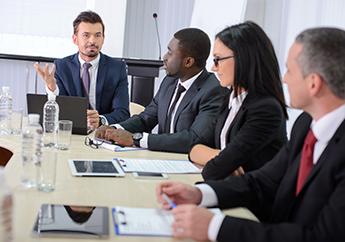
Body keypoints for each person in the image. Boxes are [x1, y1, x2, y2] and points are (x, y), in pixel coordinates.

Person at [156, 26, 345, 242]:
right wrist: (200, 194)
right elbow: (263, 181)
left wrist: (214, 227)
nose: (284, 79)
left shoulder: (270, 109)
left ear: (313, 83)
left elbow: (322, 237)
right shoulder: (306, 124)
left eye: (290, 71)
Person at [96, 28, 228, 153]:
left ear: (188, 62)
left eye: (170, 52)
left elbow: (195, 138)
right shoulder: (169, 82)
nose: (164, 57)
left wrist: (136, 139)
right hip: (160, 159)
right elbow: (146, 119)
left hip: (188, 164)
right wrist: (115, 129)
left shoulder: (214, 90)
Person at [189, 21, 287, 180]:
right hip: (230, 190)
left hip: (253, 201)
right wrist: (222, 157)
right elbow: (194, 148)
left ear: (243, 58)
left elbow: (214, 170)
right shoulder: (231, 98)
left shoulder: (266, 109)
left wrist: (221, 160)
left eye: (217, 59)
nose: (214, 68)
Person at [34, 11, 129, 130]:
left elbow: (123, 113)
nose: (92, 41)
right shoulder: (62, 66)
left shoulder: (117, 68)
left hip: (103, 134)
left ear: (103, 39)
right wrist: (52, 89)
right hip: (72, 132)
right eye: (86, 35)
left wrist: (101, 120)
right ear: (75, 39)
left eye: (98, 35)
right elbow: (58, 110)